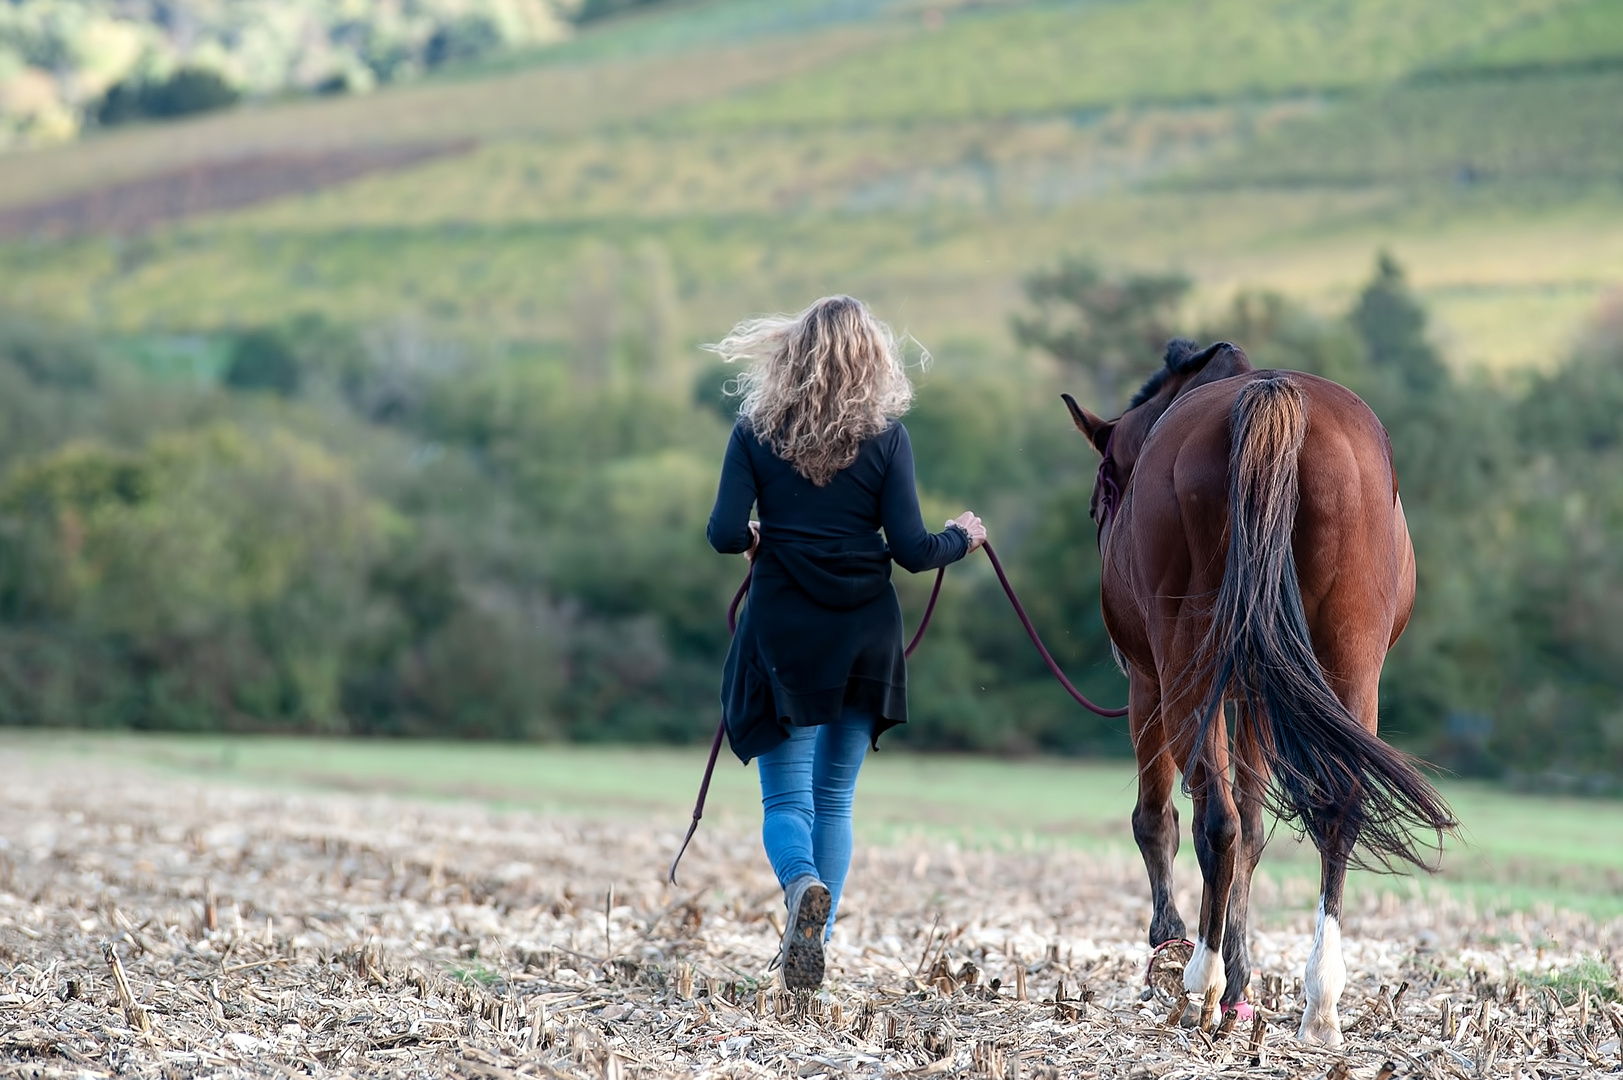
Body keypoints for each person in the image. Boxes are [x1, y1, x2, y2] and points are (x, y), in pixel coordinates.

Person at [705, 295, 986, 992]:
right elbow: (916, 552)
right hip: (863, 633)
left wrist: (756, 541)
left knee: (786, 805)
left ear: (792, 357)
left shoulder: (753, 432)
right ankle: (816, 946)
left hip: (784, 635)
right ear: (872, 361)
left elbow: (721, 532)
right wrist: (964, 536)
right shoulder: (888, 438)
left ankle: (801, 888)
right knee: (833, 802)